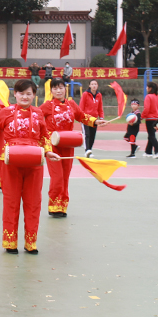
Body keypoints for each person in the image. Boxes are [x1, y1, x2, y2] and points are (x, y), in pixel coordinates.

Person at [0, 79, 60, 254]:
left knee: (33, 202)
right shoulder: (6, 112)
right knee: (11, 201)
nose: (25, 97)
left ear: (34, 95)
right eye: (21, 93)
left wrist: (48, 151)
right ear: (15, 94)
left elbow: (44, 135)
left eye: (28, 94)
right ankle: (10, 242)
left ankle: (30, 242)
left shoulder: (38, 113)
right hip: (11, 161)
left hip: (34, 161)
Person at [40, 79, 105, 217]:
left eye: (61, 88)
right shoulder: (47, 106)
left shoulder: (71, 104)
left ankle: (62, 207)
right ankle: (54, 206)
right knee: (57, 177)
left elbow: (82, 116)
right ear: (51, 91)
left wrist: (95, 121)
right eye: (55, 88)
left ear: (65, 89)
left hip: (68, 145)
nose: (58, 91)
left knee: (65, 177)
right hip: (53, 147)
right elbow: (36, 119)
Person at [79, 80, 104, 158]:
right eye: (92, 84)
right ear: (89, 85)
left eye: (95, 84)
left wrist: (101, 118)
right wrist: (81, 117)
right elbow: (81, 106)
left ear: (97, 85)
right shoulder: (85, 94)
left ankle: (90, 150)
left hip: (94, 119)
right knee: (87, 134)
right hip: (85, 118)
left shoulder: (99, 95)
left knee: (92, 135)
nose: (94, 85)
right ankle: (87, 150)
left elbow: (100, 107)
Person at [143, 82, 158, 158]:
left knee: (151, 135)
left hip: (150, 119)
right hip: (157, 119)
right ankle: (148, 152)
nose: (146, 88)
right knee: (151, 135)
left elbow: (146, 109)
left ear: (150, 88)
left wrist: (142, 116)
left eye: (147, 87)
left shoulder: (148, 97)